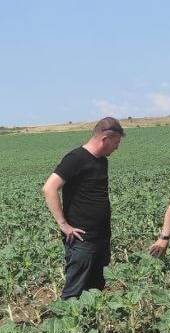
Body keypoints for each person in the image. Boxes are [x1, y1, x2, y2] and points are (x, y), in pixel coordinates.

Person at [42, 117, 125, 299]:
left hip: (101, 237)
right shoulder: (76, 158)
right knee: (74, 292)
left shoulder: (102, 160)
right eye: (116, 143)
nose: (117, 148)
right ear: (105, 139)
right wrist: (63, 224)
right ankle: (64, 326)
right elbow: (49, 188)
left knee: (95, 289)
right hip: (81, 239)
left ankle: (90, 326)